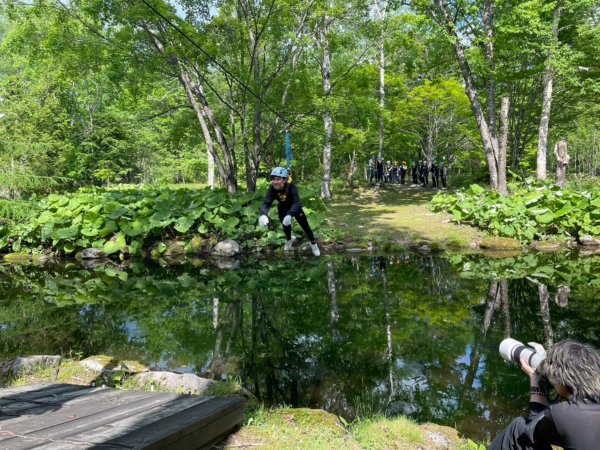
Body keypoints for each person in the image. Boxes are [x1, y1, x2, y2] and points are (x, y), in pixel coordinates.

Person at [489, 339, 600, 450]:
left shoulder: (564, 414)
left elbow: (531, 432)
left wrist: (536, 380)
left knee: (518, 428)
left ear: (561, 381)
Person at [258, 167, 320, 256]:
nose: (275, 182)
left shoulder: (292, 187)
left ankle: (313, 244)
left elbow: (297, 202)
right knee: (285, 225)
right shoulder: (272, 189)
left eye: (278, 179)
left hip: (295, 208)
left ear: (284, 180)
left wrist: (290, 215)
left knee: (305, 226)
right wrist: (263, 214)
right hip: (282, 208)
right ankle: (289, 239)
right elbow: (267, 202)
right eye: (273, 179)